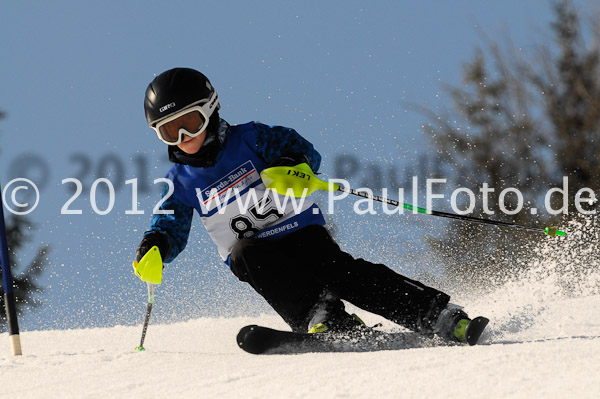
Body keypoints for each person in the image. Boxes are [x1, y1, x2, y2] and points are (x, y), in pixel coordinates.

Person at [135, 67, 472, 342]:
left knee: (334, 269)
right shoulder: (180, 182)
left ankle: (432, 312)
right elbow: (169, 223)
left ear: (210, 110)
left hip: (298, 231)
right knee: (245, 255)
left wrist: (291, 163)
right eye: (169, 131)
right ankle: (322, 315)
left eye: (189, 123)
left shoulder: (251, 138)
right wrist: (156, 246)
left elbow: (301, 148)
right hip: (255, 253)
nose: (183, 138)